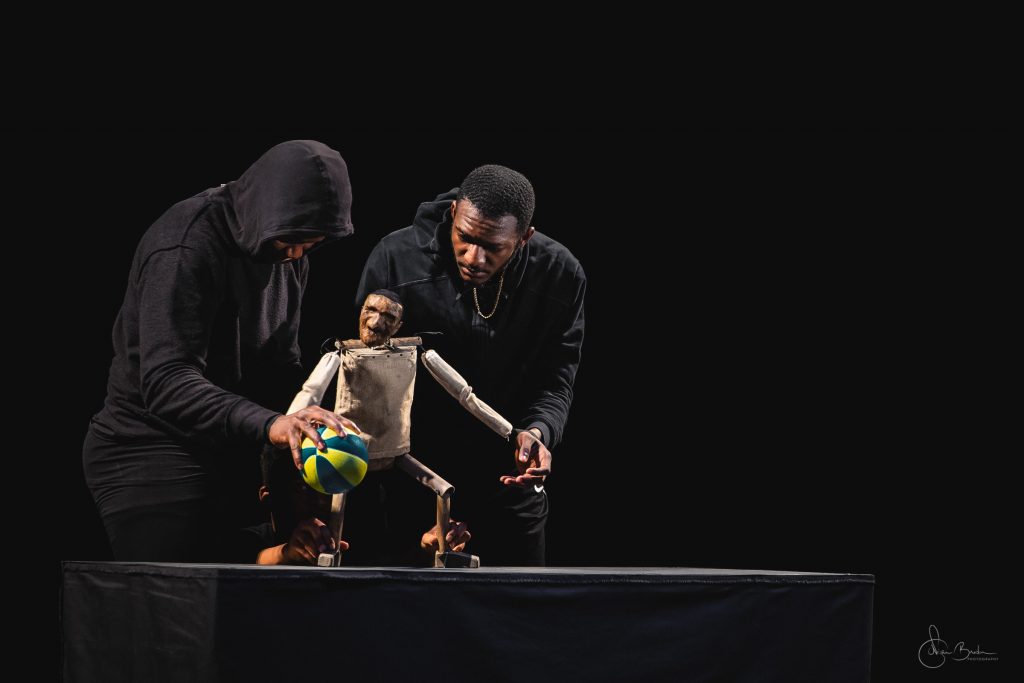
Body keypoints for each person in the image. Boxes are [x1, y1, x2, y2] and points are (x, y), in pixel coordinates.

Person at [83, 140, 359, 562]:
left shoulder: (288, 253)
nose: (296, 254)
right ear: (269, 210)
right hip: (148, 447)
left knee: (269, 572)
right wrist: (272, 423)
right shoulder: (186, 246)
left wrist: (309, 419)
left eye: (311, 244)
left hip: (228, 446)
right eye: (291, 239)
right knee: (188, 588)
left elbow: (279, 366)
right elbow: (167, 381)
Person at [355, 164, 585, 565]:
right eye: (465, 237)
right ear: (453, 213)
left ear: (524, 237)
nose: (474, 257)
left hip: (507, 476)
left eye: (493, 247)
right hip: (412, 476)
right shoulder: (396, 258)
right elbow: (363, 373)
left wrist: (538, 433)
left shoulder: (559, 274)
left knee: (519, 600)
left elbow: (556, 380)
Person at [250, 448, 470, 566]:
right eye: (303, 489)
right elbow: (249, 557)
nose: (320, 499)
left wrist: (428, 548)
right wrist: (286, 553)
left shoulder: (348, 541)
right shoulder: (250, 540)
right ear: (268, 498)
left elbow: (390, 564)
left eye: (326, 487)